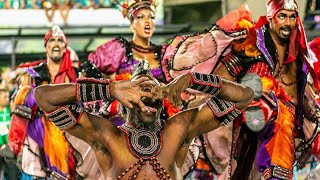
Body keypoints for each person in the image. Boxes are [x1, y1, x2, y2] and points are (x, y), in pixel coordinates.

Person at [34, 59, 254, 179]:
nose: (147, 94)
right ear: (123, 101)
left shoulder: (179, 129)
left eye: (152, 89)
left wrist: (193, 80)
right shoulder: (107, 136)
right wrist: (109, 89)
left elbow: (244, 97)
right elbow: (44, 97)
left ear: (162, 99)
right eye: (139, 90)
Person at [207, 0, 320, 179]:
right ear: (271, 18)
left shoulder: (299, 54)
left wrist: (313, 113)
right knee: (270, 100)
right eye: (282, 16)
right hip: (253, 114)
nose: (287, 23)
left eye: (292, 17)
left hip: (289, 123)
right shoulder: (253, 43)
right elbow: (223, 75)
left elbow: (302, 91)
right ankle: (257, 99)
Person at [7, 25, 79, 179]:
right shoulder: (34, 74)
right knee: (26, 92)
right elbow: (16, 102)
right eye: (52, 40)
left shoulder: (74, 75)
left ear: (65, 47)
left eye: (60, 41)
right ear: (46, 46)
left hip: (71, 128)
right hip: (38, 127)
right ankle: (13, 145)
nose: (56, 44)